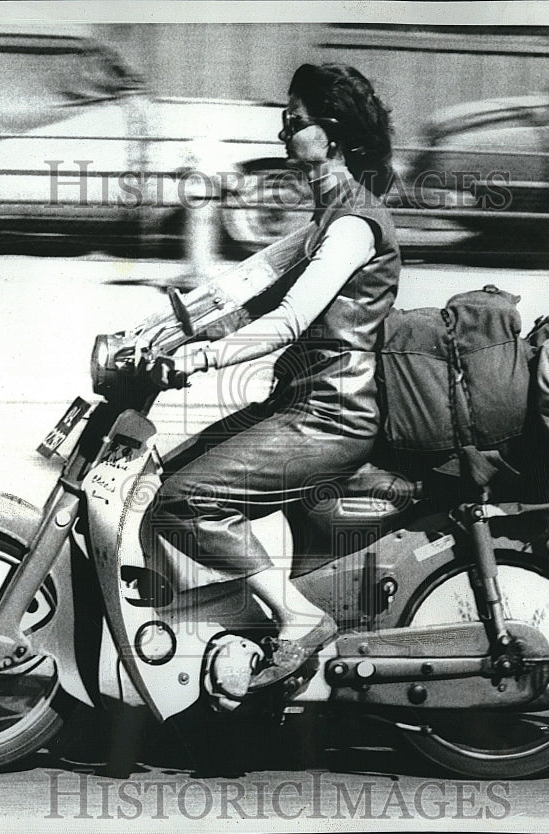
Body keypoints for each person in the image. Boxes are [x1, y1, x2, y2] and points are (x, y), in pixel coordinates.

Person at [144, 63, 400, 690]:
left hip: (329, 417)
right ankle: (179, 642)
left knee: (187, 501)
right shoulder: (324, 219)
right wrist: (156, 333)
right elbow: (244, 288)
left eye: (294, 120)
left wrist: (195, 360)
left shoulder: (352, 226)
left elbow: (287, 320)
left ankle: (295, 618)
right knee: (157, 488)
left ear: (330, 134)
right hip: (297, 405)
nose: (283, 134)